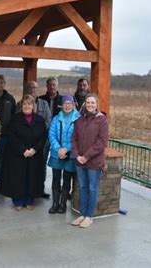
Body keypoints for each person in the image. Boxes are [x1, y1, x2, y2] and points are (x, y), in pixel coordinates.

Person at [1, 95, 47, 210]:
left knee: (32, 177)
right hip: (17, 154)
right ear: (21, 106)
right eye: (25, 104)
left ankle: (29, 199)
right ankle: (18, 200)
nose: (27, 106)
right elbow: (11, 136)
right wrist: (23, 150)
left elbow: (43, 137)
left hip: (34, 154)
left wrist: (34, 149)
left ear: (33, 106)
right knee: (18, 177)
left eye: (29, 104)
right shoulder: (15, 119)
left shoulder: (40, 120)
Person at [71, 94, 109, 228]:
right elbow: (73, 139)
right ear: (85, 104)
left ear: (97, 104)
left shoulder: (102, 120)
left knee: (92, 188)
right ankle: (82, 214)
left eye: (93, 102)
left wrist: (86, 156)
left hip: (93, 162)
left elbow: (101, 142)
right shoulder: (80, 120)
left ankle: (89, 216)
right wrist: (77, 155)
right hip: (80, 161)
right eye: (88, 102)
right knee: (82, 187)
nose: (90, 105)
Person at [47, 96, 80, 214]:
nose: (67, 106)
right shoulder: (56, 118)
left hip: (70, 155)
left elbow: (78, 137)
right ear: (62, 105)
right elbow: (51, 134)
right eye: (65, 104)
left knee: (67, 180)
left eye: (69, 103)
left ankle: (63, 204)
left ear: (73, 105)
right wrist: (58, 149)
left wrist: (67, 149)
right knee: (56, 178)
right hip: (57, 154)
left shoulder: (78, 119)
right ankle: (55, 203)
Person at [20, 80, 52, 198]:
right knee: (25, 166)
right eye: (30, 88)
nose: (32, 90)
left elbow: (48, 121)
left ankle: (39, 189)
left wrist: (38, 132)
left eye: (35, 88)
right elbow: (18, 122)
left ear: (38, 90)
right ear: (26, 89)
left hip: (41, 142)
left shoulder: (44, 104)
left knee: (40, 166)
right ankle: (24, 190)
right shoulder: (20, 104)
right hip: (25, 143)